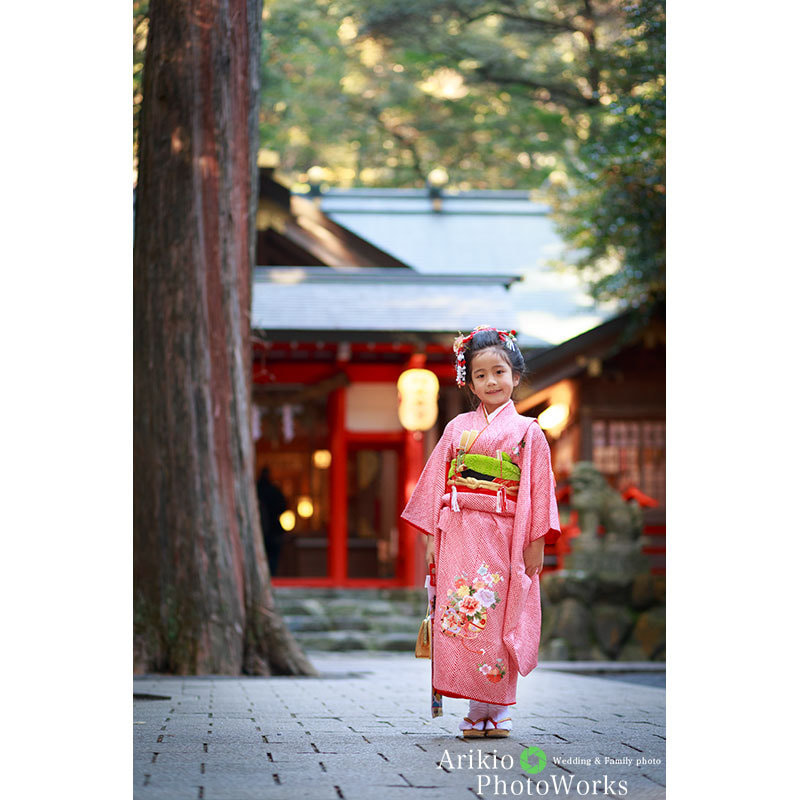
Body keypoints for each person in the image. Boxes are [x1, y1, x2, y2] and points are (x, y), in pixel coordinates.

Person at [401, 325, 561, 738]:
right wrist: (431, 539)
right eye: (481, 375)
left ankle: (500, 709)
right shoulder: (456, 428)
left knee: (498, 617)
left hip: (504, 534)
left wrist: (536, 543)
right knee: (463, 617)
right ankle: (477, 710)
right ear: (469, 383)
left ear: (515, 376)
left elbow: (540, 492)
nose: (491, 382)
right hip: (458, 531)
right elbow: (435, 485)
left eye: (499, 372)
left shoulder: (529, 431)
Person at [256, 466, 287, 576]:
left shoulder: (257, 489)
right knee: (272, 559)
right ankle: (271, 576)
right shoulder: (273, 490)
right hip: (272, 531)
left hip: (262, 530)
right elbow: (283, 507)